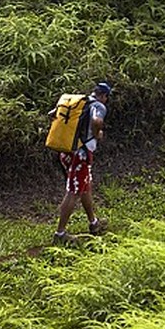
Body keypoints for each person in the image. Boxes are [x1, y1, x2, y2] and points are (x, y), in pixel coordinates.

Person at [52, 81, 111, 244]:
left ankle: (94, 223)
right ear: (104, 96)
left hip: (66, 151)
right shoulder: (99, 106)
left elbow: (53, 114)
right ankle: (60, 234)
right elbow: (97, 120)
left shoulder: (78, 102)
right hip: (81, 154)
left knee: (85, 187)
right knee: (74, 191)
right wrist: (97, 132)